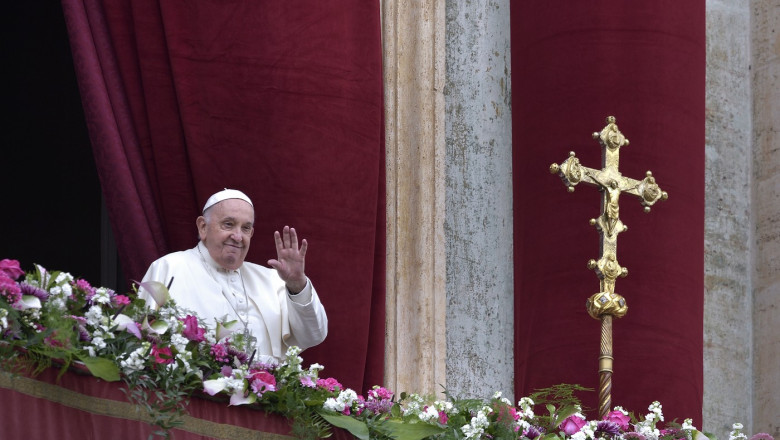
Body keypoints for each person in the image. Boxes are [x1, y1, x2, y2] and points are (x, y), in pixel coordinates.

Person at [140, 189, 328, 363]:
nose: (238, 236)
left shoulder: (273, 280)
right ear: (203, 227)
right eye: (228, 224)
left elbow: (313, 335)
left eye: (246, 228)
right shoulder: (169, 267)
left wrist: (297, 285)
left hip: (264, 394)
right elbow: (143, 343)